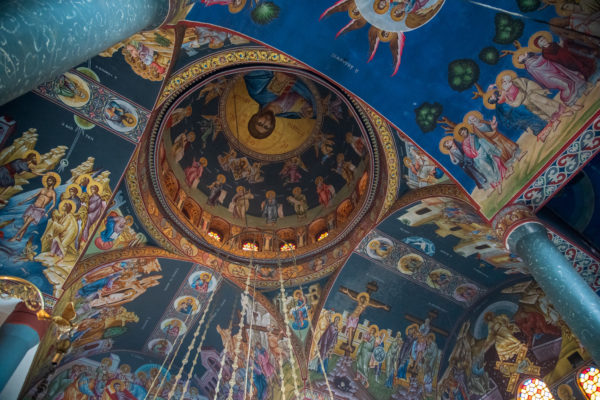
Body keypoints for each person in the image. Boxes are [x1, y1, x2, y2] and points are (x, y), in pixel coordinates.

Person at [243, 70, 316, 139]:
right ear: (272, 127)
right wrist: (309, 110)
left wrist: (275, 71)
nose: (265, 122)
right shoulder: (288, 115)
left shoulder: (257, 94)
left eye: (260, 123)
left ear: (255, 118)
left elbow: (252, 71)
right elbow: (312, 109)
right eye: (266, 127)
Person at [517, 51, 586, 106]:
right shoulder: (529, 64)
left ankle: (576, 97)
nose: (521, 55)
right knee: (565, 85)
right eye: (520, 57)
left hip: (552, 73)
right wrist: (544, 54)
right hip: (548, 78)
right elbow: (538, 62)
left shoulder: (534, 58)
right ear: (522, 61)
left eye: (521, 55)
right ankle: (568, 102)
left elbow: (544, 62)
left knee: (569, 83)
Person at [11, 172, 58, 241]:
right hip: (32, 207)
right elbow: (33, 196)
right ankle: (20, 238)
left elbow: (53, 204)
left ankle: (14, 237)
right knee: (25, 223)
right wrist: (23, 201)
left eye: (50, 181)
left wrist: (47, 212)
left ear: (53, 182)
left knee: (27, 222)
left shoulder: (53, 193)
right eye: (48, 180)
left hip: (39, 210)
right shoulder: (42, 189)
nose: (48, 182)